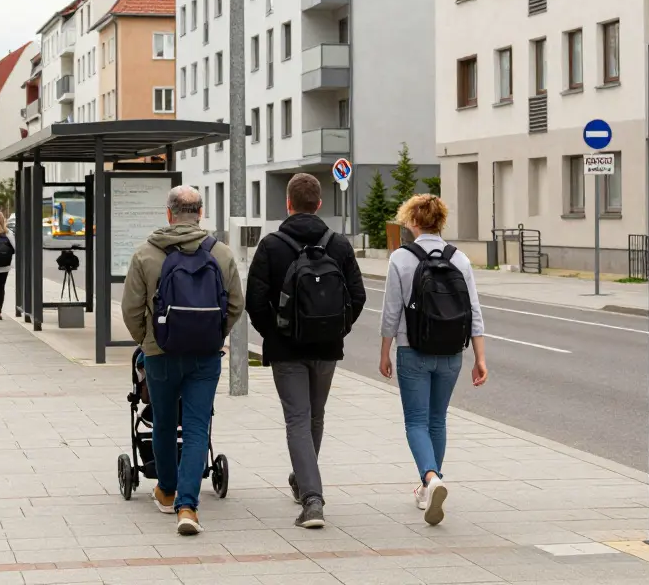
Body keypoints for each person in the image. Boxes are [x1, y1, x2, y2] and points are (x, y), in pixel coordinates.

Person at [121, 185, 244, 536]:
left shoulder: (146, 253)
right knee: (195, 428)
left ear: (170, 214)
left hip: (160, 354)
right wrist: (214, 335)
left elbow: (131, 309)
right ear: (200, 213)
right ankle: (187, 506)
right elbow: (235, 304)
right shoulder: (220, 253)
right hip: (205, 356)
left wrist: (147, 339)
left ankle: (166, 490)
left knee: (161, 422)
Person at [246, 173, 366, 529]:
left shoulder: (271, 245)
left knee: (297, 419)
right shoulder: (339, 244)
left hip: (286, 350)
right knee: (315, 416)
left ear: (288, 203)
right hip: (327, 347)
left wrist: (275, 333)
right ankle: (303, 482)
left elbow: (255, 301)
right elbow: (357, 297)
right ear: (319, 204)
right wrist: (336, 329)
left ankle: (312, 500)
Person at [378, 194, 487, 527]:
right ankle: (429, 487)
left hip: (413, 350)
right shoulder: (461, 259)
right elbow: (474, 311)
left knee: (415, 420)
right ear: (441, 221)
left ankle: (430, 478)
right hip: (453, 352)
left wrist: (385, 351)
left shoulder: (401, 258)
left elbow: (391, 312)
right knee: (437, 420)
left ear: (412, 221)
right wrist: (480, 357)